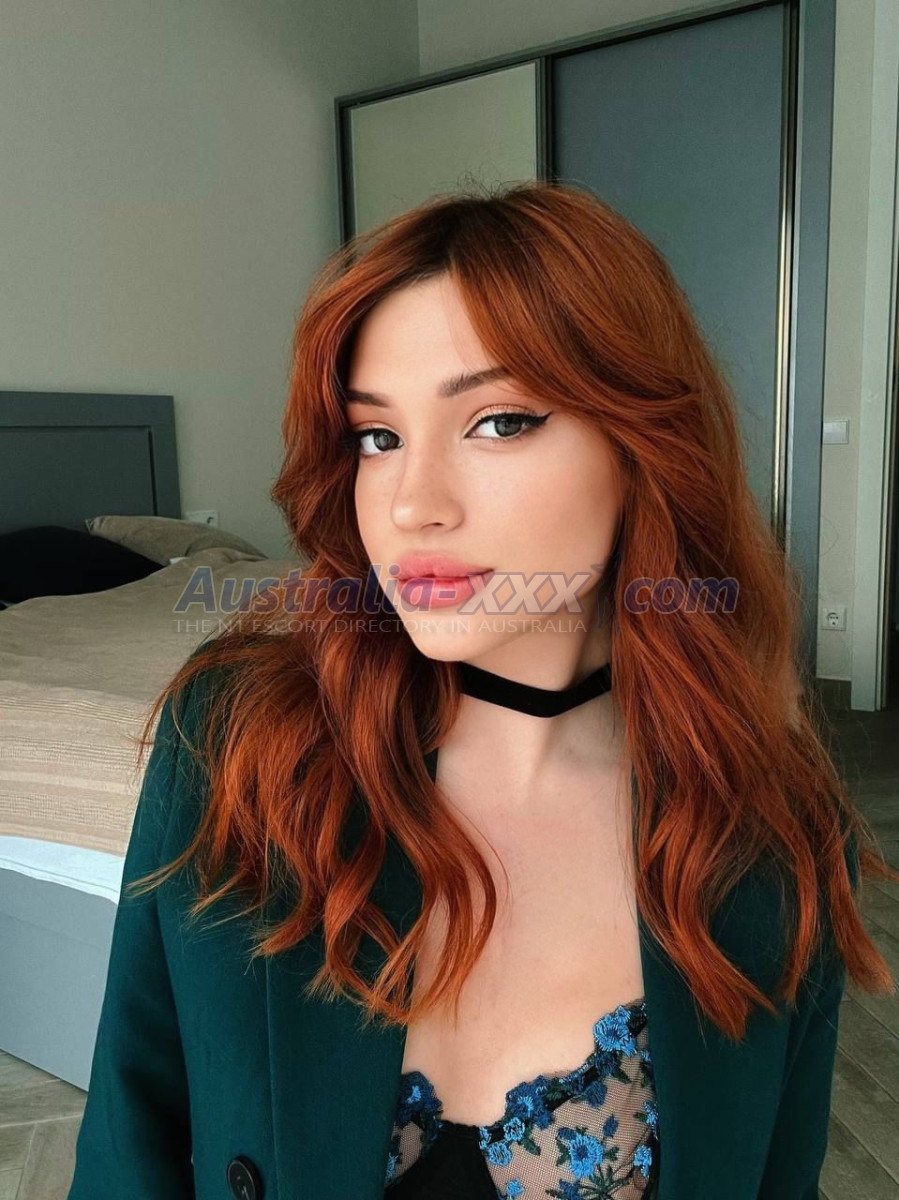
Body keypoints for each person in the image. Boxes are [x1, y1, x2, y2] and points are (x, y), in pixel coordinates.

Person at [67, 181, 897, 1200]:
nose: (412, 505)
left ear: (643, 446)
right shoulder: (237, 743)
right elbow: (128, 1143)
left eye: (497, 422)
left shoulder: (770, 830)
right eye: (377, 438)